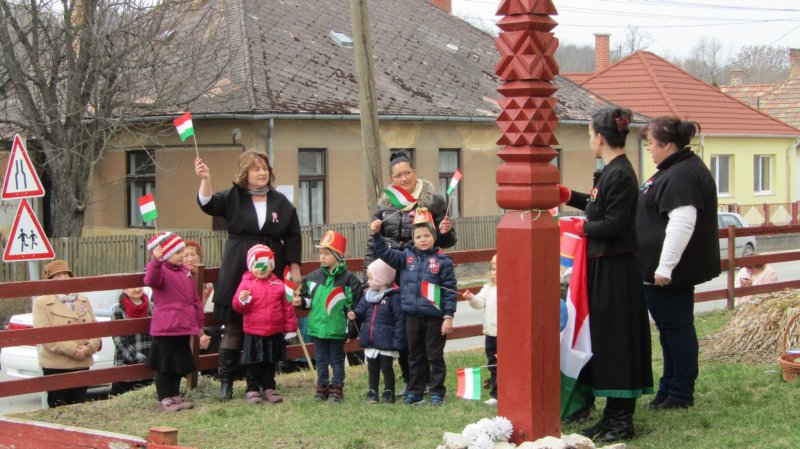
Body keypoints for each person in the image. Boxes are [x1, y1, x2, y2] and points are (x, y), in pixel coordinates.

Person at [557, 107, 653, 442]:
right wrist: (570, 197)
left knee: (617, 339)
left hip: (617, 269)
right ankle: (611, 414)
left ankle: (622, 419)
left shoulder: (621, 174)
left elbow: (615, 223)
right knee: (606, 338)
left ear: (599, 137)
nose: (589, 140)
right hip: (604, 265)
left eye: (588, 135)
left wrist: (580, 228)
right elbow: (600, 208)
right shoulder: (611, 172)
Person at [195, 151, 302, 400]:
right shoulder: (233, 197)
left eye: (265, 168)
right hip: (238, 265)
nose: (262, 173)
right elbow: (207, 203)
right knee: (234, 327)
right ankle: (226, 382)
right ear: (245, 173)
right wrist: (205, 178)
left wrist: (294, 266)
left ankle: (264, 383)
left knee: (268, 326)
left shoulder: (280, 201)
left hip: (271, 267)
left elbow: (293, 234)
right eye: (256, 169)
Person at [636, 116, 721, 412]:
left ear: (667, 145)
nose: (649, 149)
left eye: (651, 143)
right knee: (669, 329)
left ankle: (681, 392)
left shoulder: (682, 174)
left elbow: (682, 223)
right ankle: (669, 387)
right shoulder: (675, 169)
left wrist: (665, 267)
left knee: (677, 329)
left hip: (670, 274)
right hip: (660, 270)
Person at [364, 151, 457, 396]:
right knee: (402, 331)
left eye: (407, 173)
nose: (404, 178)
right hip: (392, 273)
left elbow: (447, 241)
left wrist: (445, 231)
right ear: (392, 179)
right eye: (398, 175)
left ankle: (427, 381)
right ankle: (410, 379)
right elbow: (373, 243)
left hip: (423, 272)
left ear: (415, 173)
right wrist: (369, 275)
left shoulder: (433, 200)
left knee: (425, 330)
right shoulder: (385, 204)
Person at [370, 208, 457, 406]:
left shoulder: (443, 261)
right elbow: (384, 253)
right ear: (413, 238)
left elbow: (450, 291)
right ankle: (415, 390)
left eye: (427, 235)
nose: (422, 240)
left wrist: (448, 316)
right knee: (414, 355)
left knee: (434, 356)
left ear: (434, 236)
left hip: (434, 317)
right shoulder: (405, 256)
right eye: (418, 236)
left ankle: (436, 391)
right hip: (411, 316)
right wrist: (376, 235)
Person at [293, 230, 363, 402]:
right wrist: (301, 302)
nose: (322, 257)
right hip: (318, 328)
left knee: (337, 359)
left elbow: (355, 308)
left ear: (338, 255)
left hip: (337, 328)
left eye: (327, 253)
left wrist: (351, 331)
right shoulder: (312, 278)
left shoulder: (350, 280)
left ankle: (336, 388)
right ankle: (322, 386)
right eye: (321, 253)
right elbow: (308, 301)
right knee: (321, 359)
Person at [143, 232, 204, 412]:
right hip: (166, 327)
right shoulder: (159, 270)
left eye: (182, 252)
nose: (182, 256)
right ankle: (164, 398)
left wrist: (199, 323)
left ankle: (175, 395)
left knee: (178, 363)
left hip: (183, 326)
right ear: (167, 254)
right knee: (164, 365)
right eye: (178, 253)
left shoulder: (185, 272)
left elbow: (195, 300)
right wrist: (156, 261)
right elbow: (151, 279)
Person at [232, 245, 298, 404]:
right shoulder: (246, 284)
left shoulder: (279, 284)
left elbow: (287, 308)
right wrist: (242, 300)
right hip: (254, 331)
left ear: (272, 266)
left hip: (274, 331)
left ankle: (269, 387)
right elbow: (238, 307)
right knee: (254, 362)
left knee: (270, 362)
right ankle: (252, 389)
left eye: (265, 264)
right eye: (257, 265)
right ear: (250, 266)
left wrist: (290, 329)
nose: (261, 268)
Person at [32, 260, 101, 408]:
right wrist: (72, 350)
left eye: (66, 274)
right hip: (57, 365)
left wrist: (88, 347)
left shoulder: (83, 299)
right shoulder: (41, 303)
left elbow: (95, 328)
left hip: (82, 362)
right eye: (58, 275)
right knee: (59, 409)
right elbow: (45, 335)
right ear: (49, 280)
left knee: (79, 407)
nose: (63, 278)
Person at [348, 259, 405, 404]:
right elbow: (361, 309)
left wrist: (398, 341)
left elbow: (400, 321)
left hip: (386, 341)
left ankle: (389, 392)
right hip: (371, 340)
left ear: (382, 279)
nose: (368, 281)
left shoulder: (394, 298)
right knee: (372, 367)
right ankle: (372, 391)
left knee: (386, 367)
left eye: (371, 278)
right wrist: (355, 313)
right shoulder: (368, 296)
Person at [464, 254, 498, 406]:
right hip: (490, 333)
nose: (496, 273)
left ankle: (506, 392)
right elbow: (479, 303)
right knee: (493, 364)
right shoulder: (488, 288)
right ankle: (496, 395)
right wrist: (471, 298)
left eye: (500, 269)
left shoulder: (512, 288)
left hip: (507, 336)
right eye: (493, 269)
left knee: (505, 365)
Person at [182, 240, 222, 372]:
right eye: (186, 255)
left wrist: (205, 334)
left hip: (210, 332)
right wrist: (198, 335)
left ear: (199, 257)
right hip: (186, 331)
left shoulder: (211, 280)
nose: (190, 259)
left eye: (193, 255)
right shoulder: (177, 279)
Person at [110, 286, 154, 395]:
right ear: (124, 289)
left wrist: (152, 356)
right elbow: (118, 339)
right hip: (126, 363)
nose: (137, 289)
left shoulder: (152, 307)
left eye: (139, 286)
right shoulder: (118, 309)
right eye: (132, 287)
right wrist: (137, 357)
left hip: (150, 363)